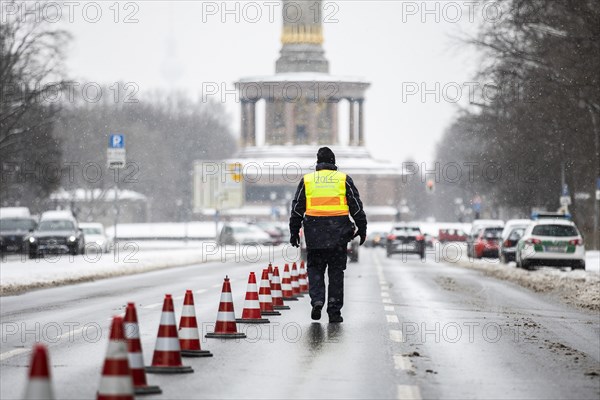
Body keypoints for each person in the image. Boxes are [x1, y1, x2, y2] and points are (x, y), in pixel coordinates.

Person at [289, 147, 367, 323]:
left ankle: (317, 300)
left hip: (314, 235)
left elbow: (297, 209)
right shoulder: (343, 179)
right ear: (333, 162)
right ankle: (334, 310)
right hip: (338, 236)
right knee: (336, 273)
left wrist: (294, 231)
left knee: (315, 270)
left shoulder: (307, 181)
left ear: (317, 163)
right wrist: (362, 227)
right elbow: (356, 205)